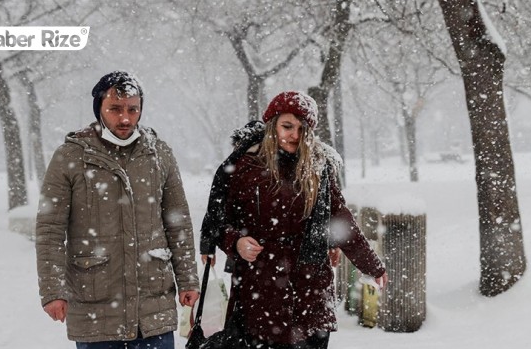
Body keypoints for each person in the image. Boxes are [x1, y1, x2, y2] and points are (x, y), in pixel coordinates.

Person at [201, 91, 388, 349]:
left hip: (310, 295)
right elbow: (218, 222)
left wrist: (372, 265)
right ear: (272, 125)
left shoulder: (319, 168)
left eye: (302, 129)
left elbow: (341, 220)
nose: (294, 136)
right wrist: (236, 243)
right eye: (287, 126)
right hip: (260, 294)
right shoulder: (246, 168)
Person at [35, 71, 200, 349]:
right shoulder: (71, 157)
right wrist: (52, 291)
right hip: (95, 306)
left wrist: (188, 280)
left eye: (132, 109)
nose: (125, 118)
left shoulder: (159, 154)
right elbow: (49, 229)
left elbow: (177, 222)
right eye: (115, 109)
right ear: (99, 108)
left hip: (153, 307)